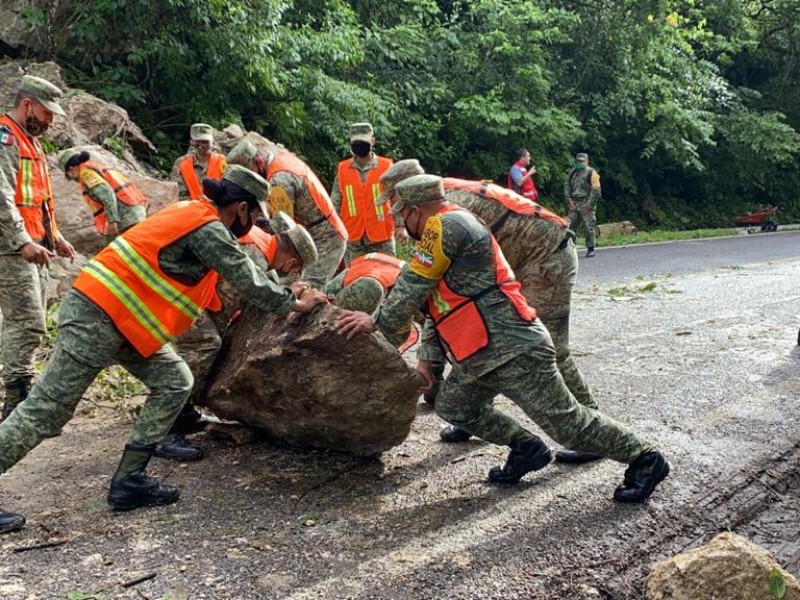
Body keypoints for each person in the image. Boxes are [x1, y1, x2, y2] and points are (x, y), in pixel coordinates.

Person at [0, 165, 326, 534]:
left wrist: (285, 292)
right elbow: (245, 275)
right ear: (242, 208)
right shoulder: (206, 226)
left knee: (175, 380)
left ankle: (128, 482)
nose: (252, 225)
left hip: (123, 321)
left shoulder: (194, 214)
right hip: (99, 312)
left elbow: (241, 274)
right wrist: (295, 305)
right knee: (48, 410)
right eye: (253, 216)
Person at [336, 174, 669, 503]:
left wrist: (375, 322)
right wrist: (429, 365)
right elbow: (435, 308)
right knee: (455, 405)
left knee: (568, 425)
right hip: (481, 351)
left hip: (512, 347)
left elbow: (411, 286)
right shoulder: (444, 229)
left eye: (399, 215)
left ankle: (645, 458)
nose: (399, 227)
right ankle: (526, 448)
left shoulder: (445, 226)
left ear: (414, 211)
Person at [379, 161, 595, 460]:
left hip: (545, 257)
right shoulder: (441, 205)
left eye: (395, 202)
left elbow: (430, 287)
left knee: (552, 349)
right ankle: (475, 413)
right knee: (482, 340)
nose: (395, 212)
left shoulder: (448, 213)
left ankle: (590, 430)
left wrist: (428, 363)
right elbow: (445, 300)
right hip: (517, 258)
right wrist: (431, 363)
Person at [163, 213, 319, 460]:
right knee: (205, 346)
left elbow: (266, 286)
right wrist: (297, 303)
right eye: (295, 269)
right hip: (186, 300)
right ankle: (166, 430)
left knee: (211, 347)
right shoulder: (256, 254)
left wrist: (287, 292)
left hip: (193, 296)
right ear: (290, 263)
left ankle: (183, 413)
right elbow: (260, 292)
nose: (290, 272)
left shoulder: (260, 243)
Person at [0, 75, 76, 420]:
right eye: (47, 113)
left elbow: (40, 198)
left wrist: (55, 235)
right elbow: (2, 197)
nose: (50, 121)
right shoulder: (5, 138)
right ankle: (16, 402)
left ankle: (20, 397)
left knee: (26, 322)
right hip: (11, 248)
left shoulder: (31, 142)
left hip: (33, 244)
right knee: (28, 322)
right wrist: (22, 241)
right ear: (27, 103)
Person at [226, 139, 346, 288]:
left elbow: (284, 230)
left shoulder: (279, 181)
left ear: (258, 161)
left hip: (325, 240)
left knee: (303, 288)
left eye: (251, 174)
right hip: (317, 232)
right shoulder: (279, 159)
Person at [330, 123, 397, 263]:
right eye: (356, 143)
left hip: (381, 234)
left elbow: (396, 198)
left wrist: (402, 226)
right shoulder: (343, 170)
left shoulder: (386, 167)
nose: (360, 145)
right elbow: (335, 203)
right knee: (355, 278)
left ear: (372, 141)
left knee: (388, 274)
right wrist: (333, 229)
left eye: (363, 142)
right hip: (353, 236)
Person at [324, 252, 417, 350]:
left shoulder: (414, 282)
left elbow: (429, 320)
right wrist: (374, 322)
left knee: (397, 324)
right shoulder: (368, 288)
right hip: (356, 290)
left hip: (382, 283)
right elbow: (329, 302)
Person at [59, 149, 148, 240]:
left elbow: (107, 194)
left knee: (119, 249)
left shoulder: (85, 173)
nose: (72, 179)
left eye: (69, 176)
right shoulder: (94, 167)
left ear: (71, 170)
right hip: (133, 210)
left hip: (126, 217)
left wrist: (112, 221)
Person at [170, 123, 227, 200]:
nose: (201, 145)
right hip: (191, 207)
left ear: (212, 142)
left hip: (217, 207)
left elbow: (227, 189)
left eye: (205, 142)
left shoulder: (222, 161)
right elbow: (178, 192)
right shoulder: (181, 163)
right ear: (191, 142)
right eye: (197, 141)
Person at [565, 152, 602, 258]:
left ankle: (591, 248)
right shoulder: (572, 172)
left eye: (582, 161)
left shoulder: (592, 173)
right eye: (578, 161)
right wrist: (569, 201)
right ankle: (569, 248)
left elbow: (596, 190)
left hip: (586, 201)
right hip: (574, 202)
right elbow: (567, 186)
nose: (579, 163)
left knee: (588, 226)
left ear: (587, 161)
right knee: (570, 226)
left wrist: (589, 205)